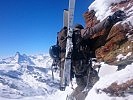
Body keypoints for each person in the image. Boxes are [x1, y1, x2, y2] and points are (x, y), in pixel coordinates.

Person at [66, 10, 126, 100]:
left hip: (75, 67)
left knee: (81, 85)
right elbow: (94, 29)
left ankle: (71, 98)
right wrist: (110, 19)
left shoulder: (70, 40)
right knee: (94, 83)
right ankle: (86, 97)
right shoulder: (80, 33)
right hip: (83, 65)